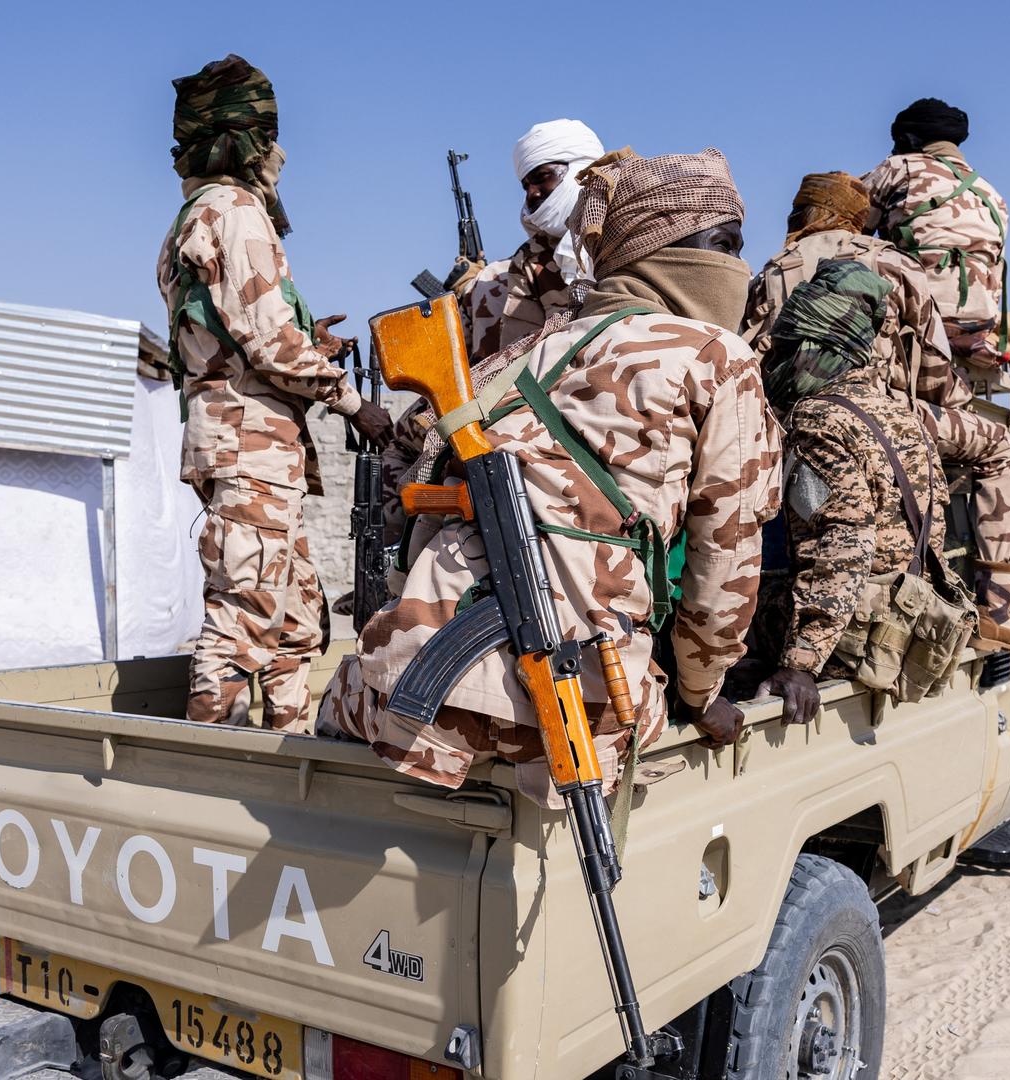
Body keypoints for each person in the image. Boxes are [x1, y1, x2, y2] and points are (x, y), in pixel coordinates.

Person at [319, 148, 783, 805]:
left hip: (409, 686)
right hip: (573, 702)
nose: (739, 266)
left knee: (343, 708)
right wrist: (702, 693)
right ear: (667, 247)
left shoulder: (523, 354)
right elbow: (727, 558)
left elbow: (410, 478)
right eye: (726, 245)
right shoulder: (715, 355)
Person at [156, 54, 392, 731]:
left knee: (293, 628)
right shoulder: (235, 212)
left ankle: (294, 769)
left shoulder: (191, 220)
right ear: (247, 143)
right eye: (272, 139)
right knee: (242, 628)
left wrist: (305, 338)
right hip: (250, 450)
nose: (282, 156)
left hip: (250, 446)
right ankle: (214, 773)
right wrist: (356, 404)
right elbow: (265, 345)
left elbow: (231, 334)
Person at [746, 172, 1010, 653]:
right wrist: (948, 405)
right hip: (879, 410)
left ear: (801, 213)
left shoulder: (774, 268)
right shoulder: (892, 262)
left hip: (787, 419)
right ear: (858, 216)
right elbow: (934, 368)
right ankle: (996, 609)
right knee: (1002, 446)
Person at [754, 261, 950, 723]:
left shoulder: (819, 418)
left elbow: (842, 543)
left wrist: (799, 665)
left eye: (784, 350)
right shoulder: (902, 414)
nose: (772, 364)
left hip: (848, 645)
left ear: (814, 350)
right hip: (902, 631)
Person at [860, 98, 1010, 399]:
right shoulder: (992, 195)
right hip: (978, 319)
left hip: (916, 315)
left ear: (908, 139)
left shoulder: (898, 168)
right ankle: (995, 335)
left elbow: (846, 228)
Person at [462, 119, 604, 359]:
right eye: (526, 185)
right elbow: (516, 359)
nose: (532, 193)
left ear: (581, 170)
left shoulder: (634, 232)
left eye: (542, 177)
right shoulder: (530, 260)